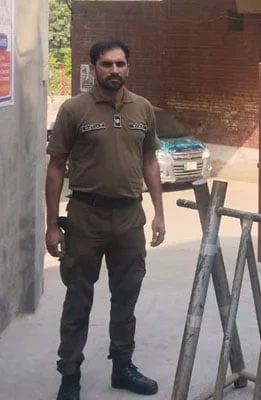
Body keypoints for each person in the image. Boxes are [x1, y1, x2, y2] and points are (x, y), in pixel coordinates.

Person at [45, 40, 165, 400]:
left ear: (129, 67)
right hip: (86, 217)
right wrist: (52, 225)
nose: (114, 70)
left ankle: (122, 366)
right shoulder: (73, 110)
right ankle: (70, 375)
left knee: (126, 296)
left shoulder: (143, 109)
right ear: (93, 68)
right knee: (78, 298)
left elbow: (150, 162)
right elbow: (55, 167)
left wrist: (159, 212)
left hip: (130, 217)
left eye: (120, 64)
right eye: (106, 64)